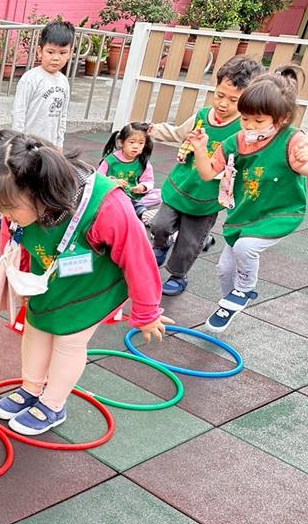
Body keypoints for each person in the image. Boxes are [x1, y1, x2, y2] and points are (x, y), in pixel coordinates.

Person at [0, 133, 170, 436]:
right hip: (51, 276)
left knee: (69, 340)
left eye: (10, 208)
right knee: (36, 328)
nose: (5, 216)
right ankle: (31, 388)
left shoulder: (106, 205)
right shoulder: (22, 206)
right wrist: (19, 277)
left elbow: (138, 257)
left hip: (91, 286)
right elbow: (14, 239)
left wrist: (146, 313)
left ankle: (53, 404)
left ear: (41, 191)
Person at [189, 67, 308, 333]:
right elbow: (208, 173)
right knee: (224, 268)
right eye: (245, 118)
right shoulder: (236, 142)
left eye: (258, 120)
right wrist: (199, 149)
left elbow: (304, 163)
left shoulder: (292, 139)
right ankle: (230, 302)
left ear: (282, 118)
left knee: (245, 248)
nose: (250, 126)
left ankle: (244, 290)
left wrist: (303, 163)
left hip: (280, 213)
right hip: (244, 215)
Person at [148, 57, 265, 296]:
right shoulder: (202, 116)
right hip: (181, 185)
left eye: (233, 100)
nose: (223, 104)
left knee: (190, 241)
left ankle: (178, 274)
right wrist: (154, 129)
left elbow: (252, 160)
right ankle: (161, 244)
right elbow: (178, 133)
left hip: (207, 197)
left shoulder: (244, 130)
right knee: (159, 225)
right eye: (220, 95)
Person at [11, 21, 75, 150]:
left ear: (70, 53)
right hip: (28, 145)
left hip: (50, 147)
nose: (56, 58)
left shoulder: (64, 81)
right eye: (50, 52)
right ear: (40, 51)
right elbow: (18, 113)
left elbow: (62, 115)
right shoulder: (31, 78)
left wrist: (59, 143)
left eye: (62, 53)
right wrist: (19, 144)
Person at [98, 122, 161, 221]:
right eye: (132, 142)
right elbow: (98, 179)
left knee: (161, 194)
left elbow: (149, 181)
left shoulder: (143, 162)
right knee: (102, 197)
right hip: (114, 194)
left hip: (133, 195)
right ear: (121, 142)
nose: (136, 146)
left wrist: (142, 187)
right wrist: (113, 182)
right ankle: (136, 208)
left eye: (141, 143)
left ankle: (133, 205)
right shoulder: (110, 160)